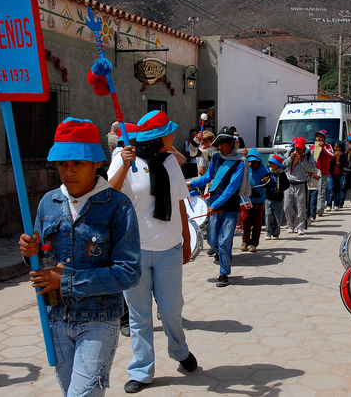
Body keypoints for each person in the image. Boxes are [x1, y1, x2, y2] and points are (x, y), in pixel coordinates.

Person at [18, 117, 142, 397]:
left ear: (96, 163)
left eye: (77, 163)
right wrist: (29, 252)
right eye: (63, 164)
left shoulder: (117, 207)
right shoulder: (48, 203)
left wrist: (66, 281)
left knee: (81, 395)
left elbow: (129, 272)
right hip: (55, 318)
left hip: (99, 319)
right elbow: (39, 260)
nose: (68, 171)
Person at [107, 111, 198, 394]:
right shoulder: (124, 159)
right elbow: (108, 195)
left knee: (172, 310)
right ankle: (142, 369)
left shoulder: (171, 161)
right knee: (139, 315)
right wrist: (123, 165)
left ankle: (179, 351)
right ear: (160, 138)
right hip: (134, 251)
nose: (175, 135)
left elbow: (181, 201)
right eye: (171, 132)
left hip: (169, 249)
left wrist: (186, 237)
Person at [189, 128, 250, 287]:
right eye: (218, 144)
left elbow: (231, 188)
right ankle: (226, 258)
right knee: (212, 239)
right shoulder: (216, 157)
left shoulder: (239, 162)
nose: (220, 147)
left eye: (222, 144)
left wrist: (214, 205)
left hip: (229, 207)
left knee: (224, 241)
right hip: (214, 204)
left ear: (231, 144)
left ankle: (224, 273)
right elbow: (208, 177)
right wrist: (192, 184)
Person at [283, 137, 316, 235]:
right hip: (289, 183)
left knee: (301, 206)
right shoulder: (290, 151)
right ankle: (290, 225)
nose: (297, 151)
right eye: (296, 148)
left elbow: (311, 168)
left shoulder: (309, 154)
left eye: (299, 149)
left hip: (301, 183)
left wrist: (303, 161)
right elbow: (283, 164)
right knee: (287, 206)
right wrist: (290, 159)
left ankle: (300, 226)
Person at [240, 148, 269, 252]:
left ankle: (254, 243)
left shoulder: (264, 169)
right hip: (248, 199)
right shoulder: (246, 168)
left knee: (257, 222)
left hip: (259, 200)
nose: (252, 164)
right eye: (250, 162)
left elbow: (270, 180)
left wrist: (267, 180)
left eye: (254, 162)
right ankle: (245, 241)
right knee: (245, 220)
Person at [309, 130, 335, 216]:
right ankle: (313, 209)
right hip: (313, 172)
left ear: (324, 139)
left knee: (321, 190)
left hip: (323, 172)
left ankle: (320, 208)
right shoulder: (312, 147)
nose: (319, 138)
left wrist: (323, 148)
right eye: (317, 137)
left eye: (321, 137)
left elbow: (331, 155)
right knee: (313, 191)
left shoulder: (328, 146)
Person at [264, 154, 290, 240]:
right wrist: (265, 181)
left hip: (278, 199)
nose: (272, 165)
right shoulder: (268, 172)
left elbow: (287, 184)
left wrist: (280, 188)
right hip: (268, 198)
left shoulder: (282, 174)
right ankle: (268, 232)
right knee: (268, 215)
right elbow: (263, 184)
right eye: (271, 163)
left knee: (277, 217)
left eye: (273, 164)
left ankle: (276, 234)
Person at [327, 140, 349, 211]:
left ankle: (336, 204)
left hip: (340, 174)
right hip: (331, 174)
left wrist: (341, 164)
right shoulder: (331, 154)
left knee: (338, 190)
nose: (337, 149)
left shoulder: (343, 155)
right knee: (330, 189)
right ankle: (328, 205)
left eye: (338, 147)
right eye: (336, 147)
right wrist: (333, 157)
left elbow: (347, 164)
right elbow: (328, 163)